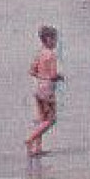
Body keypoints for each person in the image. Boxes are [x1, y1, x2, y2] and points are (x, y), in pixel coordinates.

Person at [25, 26, 63, 157]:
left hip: (37, 88)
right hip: (47, 90)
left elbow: (31, 71)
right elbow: (53, 75)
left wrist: (41, 75)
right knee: (51, 120)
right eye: (55, 40)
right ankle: (30, 139)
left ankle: (37, 148)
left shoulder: (39, 52)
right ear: (48, 39)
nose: (56, 42)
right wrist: (59, 77)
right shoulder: (51, 55)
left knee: (42, 118)